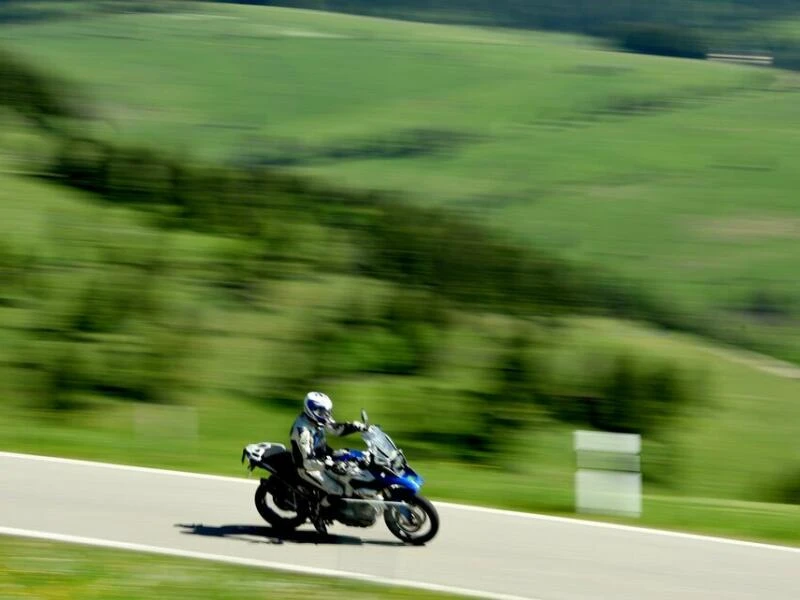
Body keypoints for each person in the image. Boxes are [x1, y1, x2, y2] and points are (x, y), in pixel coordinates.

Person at [289, 391, 366, 506]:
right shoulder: (302, 431)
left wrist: (355, 427)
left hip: (324, 457)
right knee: (337, 491)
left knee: (354, 457)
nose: (326, 415)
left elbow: (335, 429)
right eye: (322, 412)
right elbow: (307, 461)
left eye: (327, 412)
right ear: (312, 410)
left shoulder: (318, 419)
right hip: (308, 468)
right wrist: (329, 464)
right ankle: (319, 514)